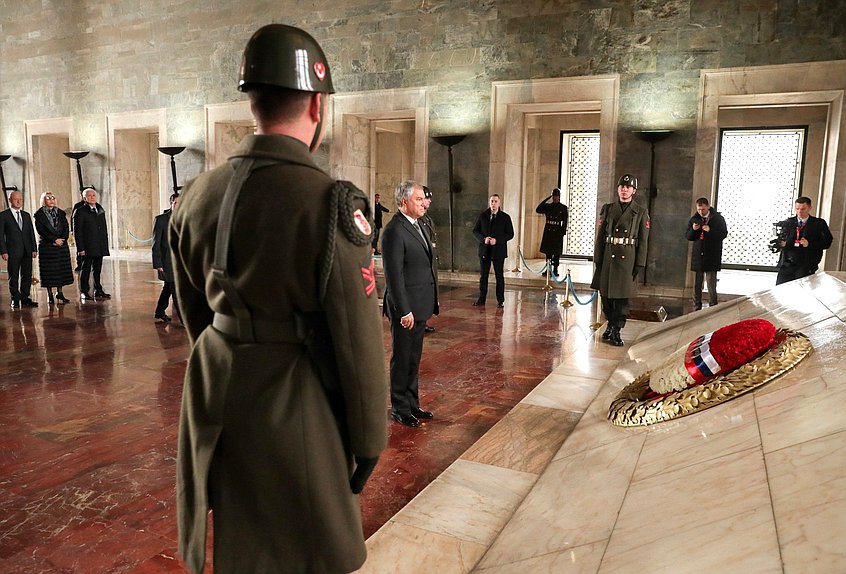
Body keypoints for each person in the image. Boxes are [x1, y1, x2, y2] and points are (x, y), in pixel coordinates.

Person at [169, 24, 388, 574]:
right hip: (295, 406)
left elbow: (194, 315)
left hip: (213, 393)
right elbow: (358, 345)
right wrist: (369, 441)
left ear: (254, 104)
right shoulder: (330, 202)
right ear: (318, 105)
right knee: (309, 552)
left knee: (241, 543)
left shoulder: (197, 193)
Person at [381, 180, 439, 428]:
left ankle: (412, 403)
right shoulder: (395, 230)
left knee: (414, 358)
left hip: (420, 303)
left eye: (423, 198)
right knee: (402, 358)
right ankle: (400, 408)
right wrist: (404, 310)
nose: (424, 202)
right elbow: (394, 276)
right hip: (405, 308)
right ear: (404, 202)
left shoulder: (419, 224)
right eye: (418, 199)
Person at [591, 174, 650, 347]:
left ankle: (617, 329)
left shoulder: (640, 212)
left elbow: (644, 239)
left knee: (621, 299)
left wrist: (640, 263)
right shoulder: (608, 209)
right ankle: (610, 324)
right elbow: (600, 236)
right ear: (618, 189)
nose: (624, 190)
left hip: (628, 258)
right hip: (608, 256)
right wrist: (598, 258)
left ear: (634, 191)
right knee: (606, 296)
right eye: (622, 187)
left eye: (628, 187)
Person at [775, 196, 833, 285]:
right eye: (797, 209)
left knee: (802, 290)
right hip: (788, 263)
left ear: (810, 208)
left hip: (806, 263)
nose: (799, 212)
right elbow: (781, 239)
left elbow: (827, 242)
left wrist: (809, 244)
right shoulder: (789, 222)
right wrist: (782, 244)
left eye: (803, 209)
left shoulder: (818, 223)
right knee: (781, 288)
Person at [685, 197, 728, 310]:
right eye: (699, 209)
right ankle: (696, 305)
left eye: (703, 209)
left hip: (712, 254)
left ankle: (713, 305)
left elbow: (723, 234)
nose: (701, 212)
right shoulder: (694, 219)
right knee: (696, 283)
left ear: (708, 207)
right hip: (698, 254)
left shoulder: (718, 219)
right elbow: (688, 237)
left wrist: (710, 230)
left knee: (711, 282)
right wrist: (694, 229)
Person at [472, 194, 514, 308]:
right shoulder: (483, 216)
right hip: (485, 250)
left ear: (499, 203)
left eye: (495, 201)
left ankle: (500, 300)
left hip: (498, 251)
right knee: (483, 276)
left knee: (499, 276)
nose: (493, 204)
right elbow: (475, 231)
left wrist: (498, 240)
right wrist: (483, 239)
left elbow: (510, 234)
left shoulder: (505, 217)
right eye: (491, 201)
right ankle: (481, 299)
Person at [33, 192, 74, 304]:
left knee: (60, 270)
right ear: (43, 200)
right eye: (48, 198)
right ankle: (50, 294)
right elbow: (41, 230)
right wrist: (54, 240)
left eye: (53, 198)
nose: (51, 200)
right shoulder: (39, 215)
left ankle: (60, 293)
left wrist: (63, 239)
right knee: (49, 272)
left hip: (61, 245)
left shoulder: (60, 213)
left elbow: (66, 227)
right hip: (48, 246)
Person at [0, 190, 38, 308]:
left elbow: (31, 233)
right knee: (14, 275)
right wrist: (3, 251)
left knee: (26, 275)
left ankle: (25, 297)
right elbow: (0, 235)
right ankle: (15, 299)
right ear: (10, 200)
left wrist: (34, 248)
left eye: (20, 199)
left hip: (27, 250)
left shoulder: (26, 215)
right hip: (12, 251)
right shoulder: (3, 215)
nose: (18, 201)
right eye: (16, 199)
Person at [72, 186, 111, 300]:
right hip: (87, 246)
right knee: (85, 270)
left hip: (99, 245)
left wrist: (104, 245)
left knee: (97, 270)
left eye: (93, 195)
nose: (92, 197)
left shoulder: (100, 209)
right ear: (84, 198)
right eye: (89, 196)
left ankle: (98, 290)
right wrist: (80, 248)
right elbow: (77, 231)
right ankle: (84, 291)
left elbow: (103, 228)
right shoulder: (80, 211)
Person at [152, 193, 179, 322]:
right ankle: (185, 319)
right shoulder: (161, 219)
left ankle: (159, 311)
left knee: (168, 287)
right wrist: (158, 264)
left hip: (179, 262)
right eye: (176, 203)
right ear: (171, 203)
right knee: (176, 291)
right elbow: (156, 243)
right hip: (166, 262)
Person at [535, 187, 569, 277]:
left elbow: (565, 221)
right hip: (549, 230)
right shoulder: (548, 206)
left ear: (559, 197)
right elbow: (538, 209)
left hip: (557, 231)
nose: (555, 198)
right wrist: (547, 198)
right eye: (554, 196)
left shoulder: (563, 208)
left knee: (556, 252)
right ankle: (548, 269)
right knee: (548, 252)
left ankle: (555, 269)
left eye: (557, 196)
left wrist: (563, 233)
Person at [420, 185, 439, 333]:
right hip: (424, 261)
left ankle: (424, 319)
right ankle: (421, 320)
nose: (429, 201)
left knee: (429, 292)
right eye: (427, 198)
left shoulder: (426, 217)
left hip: (430, 260)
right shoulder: (419, 219)